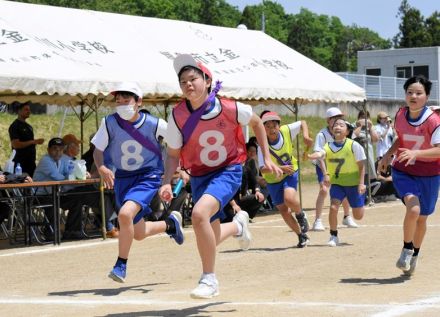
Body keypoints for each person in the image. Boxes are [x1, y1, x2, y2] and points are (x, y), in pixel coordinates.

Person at [159, 54, 282, 299]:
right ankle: (237, 225)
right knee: (210, 237)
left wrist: (265, 158)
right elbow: (173, 154)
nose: (188, 84)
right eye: (183, 81)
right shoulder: (178, 116)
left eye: (193, 78)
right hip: (200, 175)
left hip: (228, 170)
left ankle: (209, 278)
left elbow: (257, 124)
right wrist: (165, 181)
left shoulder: (230, 107)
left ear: (207, 80)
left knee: (198, 214)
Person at [92, 82, 184, 283]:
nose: (122, 104)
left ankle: (120, 265)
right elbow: (98, 150)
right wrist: (102, 167)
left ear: (138, 102)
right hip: (123, 178)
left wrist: (181, 168)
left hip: (148, 176)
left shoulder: (155, 124)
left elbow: (177, 144)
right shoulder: (108, 123)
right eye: (118, 101)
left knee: (124, 214)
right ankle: (170, 225)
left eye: (127, 100)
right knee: (139, 233)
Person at [378, 75, 440, 276]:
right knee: (413, 210)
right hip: (404, 169)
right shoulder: (400, 114)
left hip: (429, 174)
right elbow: (401, 139)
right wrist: (388, 155)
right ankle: (406, 248)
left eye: (419, 93)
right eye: (410, 92)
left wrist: (417, 153)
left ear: (427, 96)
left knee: (422, 218)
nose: (413, 96)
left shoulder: (434, 121)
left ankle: (414, 255)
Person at [257, 110, 313, 247]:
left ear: (279, 125)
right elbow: (262, 169)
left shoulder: (286, 130)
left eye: (274, 125)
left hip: (290, 172)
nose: (271, 129)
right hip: (273, 179)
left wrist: (305, 135)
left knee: (289, 198)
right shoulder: (261, 144)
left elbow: (302, 123)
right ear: (263, 128)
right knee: (283, 210)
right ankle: (301, 235)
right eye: (268, 126)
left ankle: (300, 215)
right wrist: (280, 169)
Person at [308, 118, 366, 247]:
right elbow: (321, 154)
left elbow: (362, 166)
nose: (337, 127)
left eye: (341, 125)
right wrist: (314, 156)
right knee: (333, 207)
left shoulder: (353, 145)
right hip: (338, 184)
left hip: (353, 184)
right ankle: (333, 236)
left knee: (358, 216)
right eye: (335, 125)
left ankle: (360, 204)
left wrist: (361, 183)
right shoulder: (327, 146)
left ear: (347, 131)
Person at [33, 137, 100, 240]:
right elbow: (58, 177)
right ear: (48, 150)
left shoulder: (60, 161)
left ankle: (72, 231)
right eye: (54, 149)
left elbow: (69, 174)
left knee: (76, 199)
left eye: (60, 149)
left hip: (55, 193)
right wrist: (73, 176)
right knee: (53, 201)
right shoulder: (45, 160)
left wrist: (81, 174)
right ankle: (50, 233)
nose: (58, 152)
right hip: (39, 195)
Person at [311, 107, 359, 231]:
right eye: (335, 118)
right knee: (324, 189)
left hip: (340, 166)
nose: (338, 121)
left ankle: (347, 216)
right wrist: (325, 173)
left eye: (340, 118)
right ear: (328, 121)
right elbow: (320, 156)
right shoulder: (322, 135)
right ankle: (318, 220)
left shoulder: (343, 131)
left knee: (345, 189)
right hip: (324, 165)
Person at [8, 102, 45, 176]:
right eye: (26, 109)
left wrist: (34, 142)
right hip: (20, 164)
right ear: (19, 111)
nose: (29, 111)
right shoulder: (15, 126)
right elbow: (16, 144)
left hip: (30, 162)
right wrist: (33, 142)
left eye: (29, 109)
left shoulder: (29, 127)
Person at [353, 110, 379, 183]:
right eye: (362, 117)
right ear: (359, 117)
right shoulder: (355, 125)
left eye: (366, 117)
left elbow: (375, 139)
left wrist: (370, 127)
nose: (364, 119)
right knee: (358, 173)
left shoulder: (371, 127)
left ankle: (367, 191)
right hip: (357, 153)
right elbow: (354, 136)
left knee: (367, 174)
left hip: (368, 153)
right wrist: (360, 125)